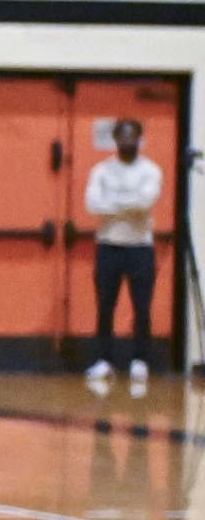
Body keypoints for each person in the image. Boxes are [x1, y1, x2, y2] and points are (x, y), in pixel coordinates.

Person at [85, 118, 163, 390]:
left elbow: (145, 202)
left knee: (141, 307)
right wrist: (126, 204)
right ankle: (104, 359)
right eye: (123, 136)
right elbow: (93, 204)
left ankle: (140, 359)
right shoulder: (101, 171)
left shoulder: (150, 170)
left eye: (133, 137)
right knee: (105, 306)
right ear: (116, 140)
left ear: (139, 139)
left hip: (140, 247)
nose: (127, 141)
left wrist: (113, 203)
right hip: (108, 245)